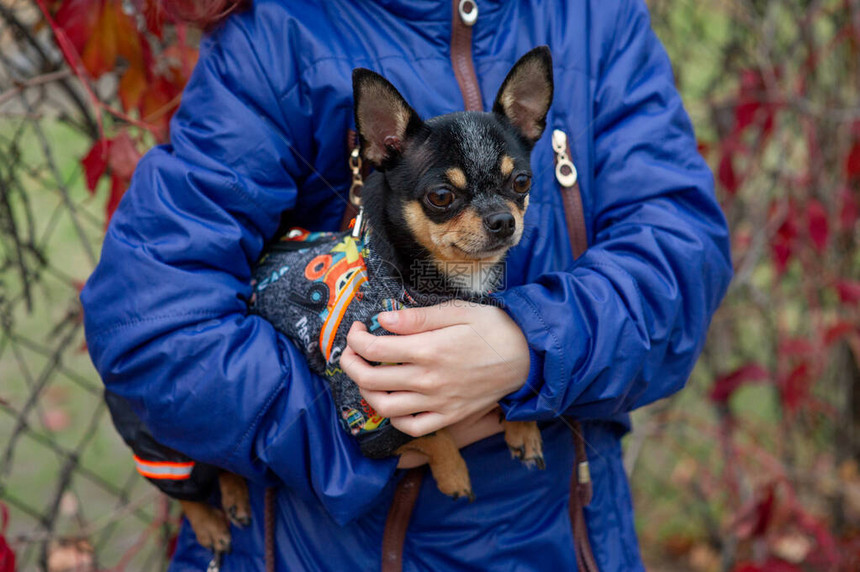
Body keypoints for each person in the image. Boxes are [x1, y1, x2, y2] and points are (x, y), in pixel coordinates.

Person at [80, 0, 733, 569]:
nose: (500, 218)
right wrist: (367, 434)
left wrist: (528, 345)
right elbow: (151, 321)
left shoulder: (594, 16)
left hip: (564, 543)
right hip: (321, 550)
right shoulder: (280, 33)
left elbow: (682, 255)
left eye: (516, 187)